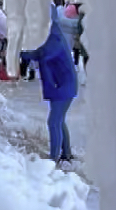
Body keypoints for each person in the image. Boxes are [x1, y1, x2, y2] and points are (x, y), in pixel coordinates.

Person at [19, 17, 78, 163]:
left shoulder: (54, 38)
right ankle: (66, 154)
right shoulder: (47, 35)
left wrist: (19, 52)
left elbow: (42, 54)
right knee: (59, 120)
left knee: (53, 121)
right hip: (57, 85)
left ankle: (53, 159)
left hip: (63, 86)